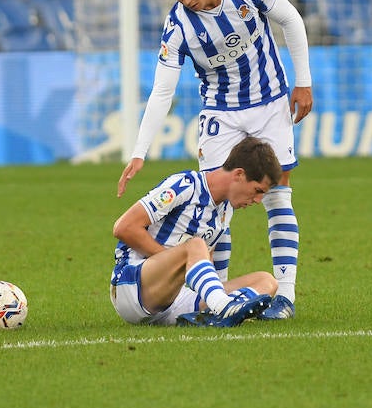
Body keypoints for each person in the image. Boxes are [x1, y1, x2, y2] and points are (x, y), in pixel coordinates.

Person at [116, 0, 313, 320]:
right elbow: (162, 89)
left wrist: (303, 82)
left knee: (277, 193)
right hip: (220, 114)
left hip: (271, 101)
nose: (185, 0)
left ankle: (285, 296)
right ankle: (214, 302)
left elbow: (291, 20)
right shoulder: (177, 27)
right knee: (214, 204)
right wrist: (140, 150)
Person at [111, 136, 281, 327]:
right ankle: (223, 308)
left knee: (267, 282)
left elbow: (204, 260)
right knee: (195, 246)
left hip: (174, 298)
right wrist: (180, 262)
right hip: (132, 288)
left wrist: (195, 272)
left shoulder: (225, 210)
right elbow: (123, 227)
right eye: (257, 190)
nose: (258, 200)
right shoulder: (185, 185)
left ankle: (212, 316)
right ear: (239, 174)